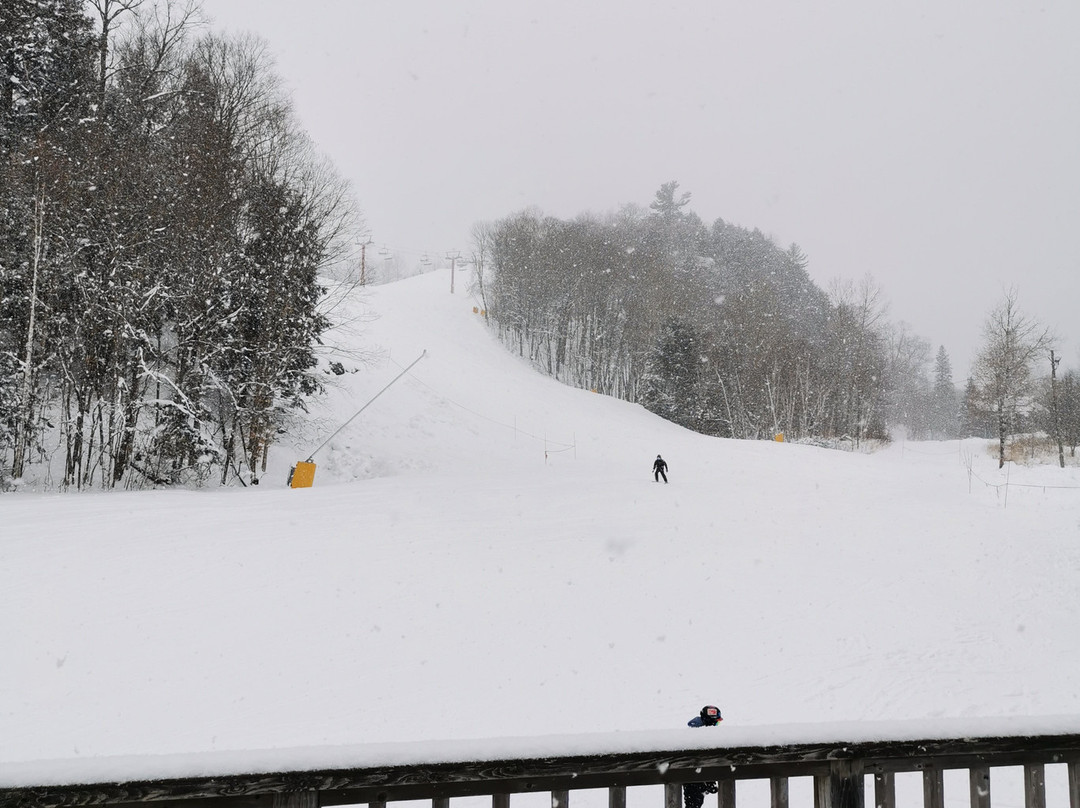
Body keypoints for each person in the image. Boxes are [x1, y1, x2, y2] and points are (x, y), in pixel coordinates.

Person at [683, 705, 722, 808]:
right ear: (709, 723)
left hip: (696, 778)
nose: (717, 725)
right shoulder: (699, 738)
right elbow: (700, 760)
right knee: (693, 804)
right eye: (717, 723)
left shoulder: (701, 735)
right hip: (692, 779)